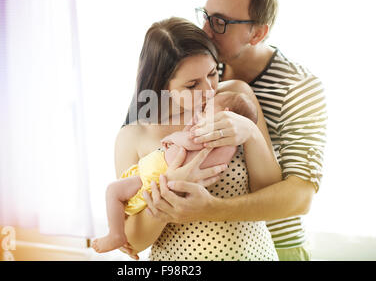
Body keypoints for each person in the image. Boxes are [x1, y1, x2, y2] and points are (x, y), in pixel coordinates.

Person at [141, 0, 327, 261]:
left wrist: (211, 209)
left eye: (220, 22)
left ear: (257, 34)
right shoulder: (194, 69)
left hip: (275, 246)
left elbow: (300, 197)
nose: (205, 30)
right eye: (205, 16)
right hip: (186, 250)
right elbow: (142, 146)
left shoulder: (298, 88)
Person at [116, 16, 283, 261]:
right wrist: (170, 189)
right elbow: (133, 241)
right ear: (163, 85)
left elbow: (270, 193)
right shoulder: (134, 136)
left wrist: (251, 133)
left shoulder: (235, 98)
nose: (209, 90)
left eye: (213, 73)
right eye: (192, 84)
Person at [92, 91, 266, 254]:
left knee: (113, 191)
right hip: (157, 180)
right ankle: (117, 232)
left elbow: (191, 141)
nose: (202, 110)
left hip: (154, 175)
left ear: (226, 114)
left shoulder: (212, 133)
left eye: (207, 110)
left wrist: (172, 138)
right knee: (122, 200)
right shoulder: (231, 144)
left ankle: (115, 234)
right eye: (191, 84)